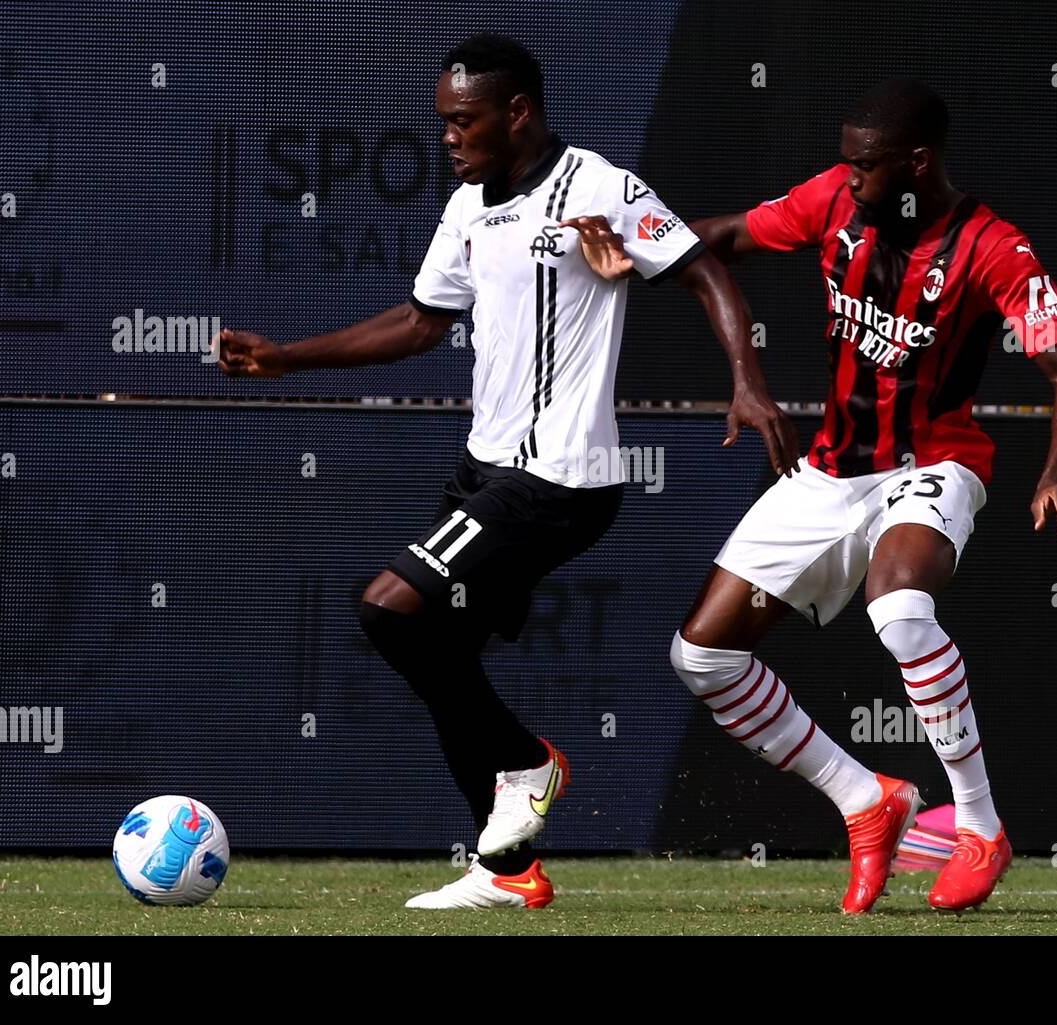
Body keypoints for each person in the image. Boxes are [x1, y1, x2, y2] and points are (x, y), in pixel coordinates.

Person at [217, 33, 797, 910]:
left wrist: (748, 384)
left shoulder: (596, 186)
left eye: (464, 119)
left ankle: (528, 765)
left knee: (387, 607)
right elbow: (419, 323)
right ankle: (506, 869)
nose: (449, 135)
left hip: (557, 479)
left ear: (517, 112)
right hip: (486, 470)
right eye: (444, 120)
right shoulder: (467, 204)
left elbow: (704, 269)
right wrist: (287, 359)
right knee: (437, 649)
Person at [665, 79, 1057, 913]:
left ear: (917, 162)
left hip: (935, 461)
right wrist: (630, 248)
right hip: (830, 471)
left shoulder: (992, 246)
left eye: (864, 163)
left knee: (899, 610)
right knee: (703, 656)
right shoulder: (831, 200)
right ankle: (867, 798)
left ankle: (978, 824)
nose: (847, 174)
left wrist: (1056, 472)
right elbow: (716, 239)